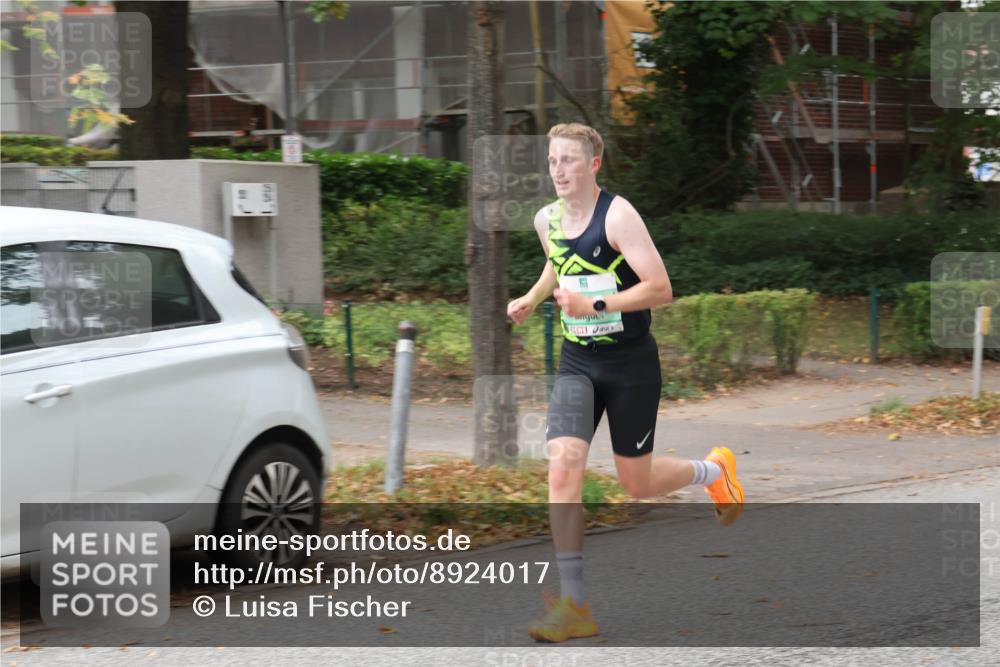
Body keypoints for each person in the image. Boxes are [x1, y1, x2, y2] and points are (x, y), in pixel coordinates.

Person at [506, 123, 745, 643]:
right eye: (552, 160)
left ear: (594, 165)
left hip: (630, 364)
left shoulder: (618, 215)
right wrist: (533, 296)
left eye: (569, 160)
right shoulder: (545, 219)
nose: (558, 170)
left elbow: (661, 288)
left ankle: (713, 471)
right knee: (563, 469)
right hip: (577, 361)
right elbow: (559, 264)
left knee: (635, 484)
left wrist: (596, 303)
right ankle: (575, 605)